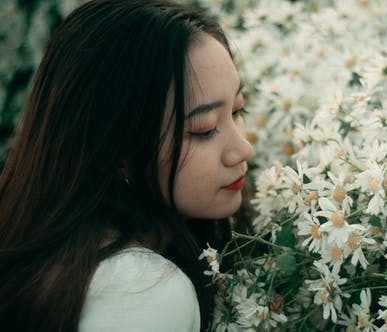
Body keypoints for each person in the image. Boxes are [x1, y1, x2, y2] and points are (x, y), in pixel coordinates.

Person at [0, 0, 253, 331]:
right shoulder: (144, 293)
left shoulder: (59, 258)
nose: (242, 148)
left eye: (237, 110)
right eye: (204, 130)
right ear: (115, 154)